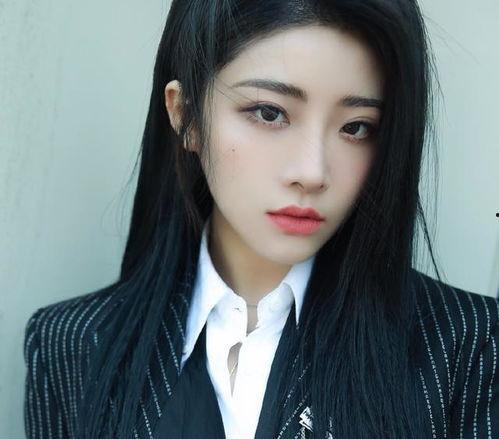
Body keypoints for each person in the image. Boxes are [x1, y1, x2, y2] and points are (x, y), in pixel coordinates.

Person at [23, 0, 499, 438]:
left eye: (356, 127)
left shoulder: (464, 346)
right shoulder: (73, 345)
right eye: (269, 113)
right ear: (185, 115)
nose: (312, 172)